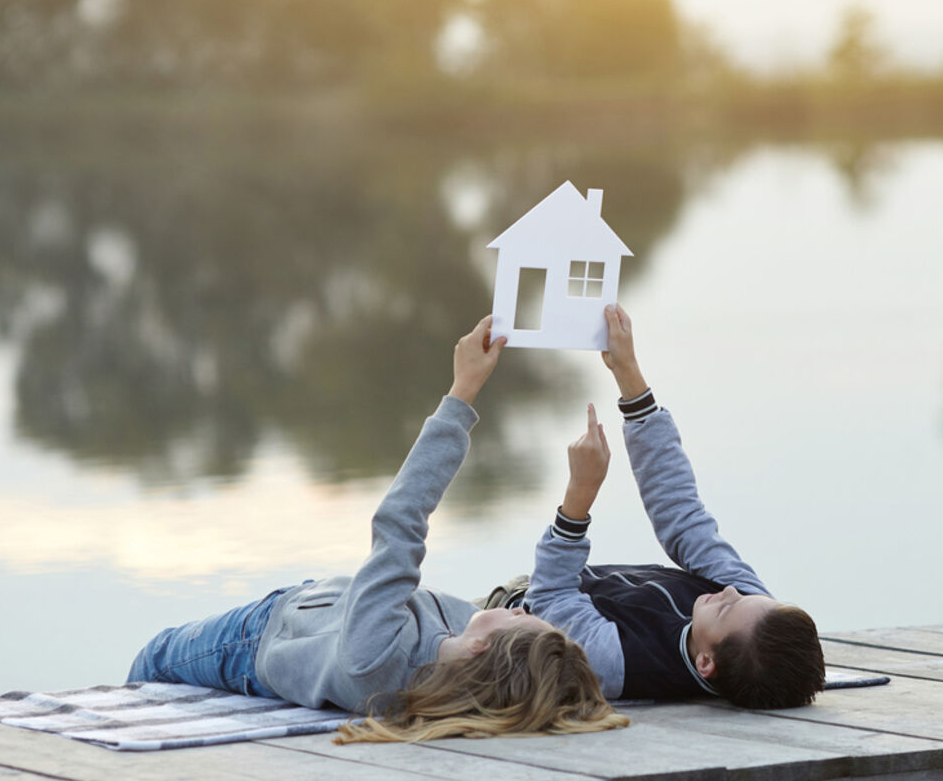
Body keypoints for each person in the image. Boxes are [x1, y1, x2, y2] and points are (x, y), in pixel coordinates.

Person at [127, 315, 629, 744]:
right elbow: (549, 674)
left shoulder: (379, 661)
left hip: (252, 641)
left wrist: (462, 394)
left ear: (485, 648)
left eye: (524, 618)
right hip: (311, 613)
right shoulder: (465, 667)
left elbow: (400, 522)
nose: (522, 607)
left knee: (152, 659)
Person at [523, 304, 826, 709]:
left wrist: (580, 494)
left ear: (705, 662)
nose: (730, 590)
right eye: (743, 596)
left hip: (506, 613)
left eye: (726, 608)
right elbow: (684, 519)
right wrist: (628, 373)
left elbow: (551, 597)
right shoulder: (754, 617)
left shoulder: (618, 665)